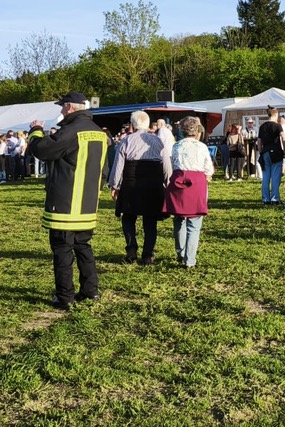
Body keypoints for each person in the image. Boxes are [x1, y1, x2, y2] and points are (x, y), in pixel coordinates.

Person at [27, 92, 107, 308]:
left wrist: (35, 131)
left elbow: (43, 150)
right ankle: (90, 291)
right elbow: (104, 170)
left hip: (65, 202)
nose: (62, 110)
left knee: (62, 249)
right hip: (88, 203)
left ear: (70, 107)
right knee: (83, 246)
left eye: (63, 106)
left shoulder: (71, 131)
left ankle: (65, 297)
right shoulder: (99, 133)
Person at [108, 110, 170, 266]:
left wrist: (114, 185)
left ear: (133, 124)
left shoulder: (126, 140)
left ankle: (131, 249)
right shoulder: (157, 141)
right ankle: (148, 254)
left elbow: (118, 165)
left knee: (128, 217)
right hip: (152, 184)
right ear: (147, 123)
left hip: (131, 183)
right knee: (150, 220)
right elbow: (166, 165)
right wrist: (169, 183)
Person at [164, 115, 213, 268]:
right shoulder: (201, 147)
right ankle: (190, 260)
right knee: (194, 223)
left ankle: (180, 251)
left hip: (178, 181)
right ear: (197, 131)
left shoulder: (176, 146)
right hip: (196, 183)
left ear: (182, 130)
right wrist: (208, 176)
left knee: (179, 218)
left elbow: (173, 164)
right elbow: (208, 168)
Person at [257, 106, 285, 205]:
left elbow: (259, 141)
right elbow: (283, 137)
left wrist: (261, 151)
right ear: (276, 114)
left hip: (265, 151)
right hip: (276, 152)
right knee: (275, 176)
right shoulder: (278, 126)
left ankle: (265, 199)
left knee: (265, 176)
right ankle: (275, 198)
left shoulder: (262, 126)